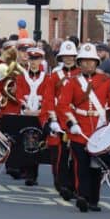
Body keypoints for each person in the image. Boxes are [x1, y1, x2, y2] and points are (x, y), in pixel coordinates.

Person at [57, 43, 110, 212]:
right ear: (79, 63)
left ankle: (94, 199)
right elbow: (63, 105)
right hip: (80, 129)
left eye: (91, 61)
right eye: (84, 62)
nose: (88, 65)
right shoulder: (72, 82)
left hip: (99, 129)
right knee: (82, 165)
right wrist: (71, 124)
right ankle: (82, 196)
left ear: (96, 63)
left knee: (96, 167)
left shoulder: (107, 81)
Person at [15, 47, 54, 186]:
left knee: (36, 143)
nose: (34, 62)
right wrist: (24, 106)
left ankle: (33, 174)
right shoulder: (21, 76)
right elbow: (18, 94)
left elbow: (49, 96)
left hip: (39, 113)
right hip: (26, 112)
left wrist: (40, 109)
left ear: (41, 60)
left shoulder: (47, 78)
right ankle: (25, 170)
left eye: (36, 59)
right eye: (32, 59)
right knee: (25, 140)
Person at [47, 40, 79, 200]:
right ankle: (62, 184)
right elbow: (49, 99)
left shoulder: (81, 74)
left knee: (76, 155)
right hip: (60, 118)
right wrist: (52, 120)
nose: (68, 59)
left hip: (78, 118)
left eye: (71, 56)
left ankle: (74, 185)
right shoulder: (55, 76)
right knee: (61, 154)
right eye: (65, 56)